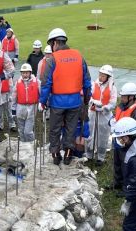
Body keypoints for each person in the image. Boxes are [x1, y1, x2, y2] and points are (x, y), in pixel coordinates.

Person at [40, 28, 92, 165]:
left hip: (57, 102)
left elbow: (46, 83)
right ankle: (68, 155)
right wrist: (87, 97)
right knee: (71, 129)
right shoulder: (79, 56)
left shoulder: (52, 60)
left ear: (55, 42)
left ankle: (56, 155)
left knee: (55, 129)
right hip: (75, 102)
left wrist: (42, 101)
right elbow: (87, 81)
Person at [110, 82, 136, 193]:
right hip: (118, 140)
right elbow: (115, 117)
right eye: (122, 96)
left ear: (131, 97)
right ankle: (117, 183)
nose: (122, 98)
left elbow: (135, 130)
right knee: (117, 163)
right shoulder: (121, 106)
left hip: (127, 143)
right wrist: (111, 122)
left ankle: (126, 188)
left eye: (124, 97)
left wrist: (124, 139)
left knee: (126, 166)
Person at [86, 65, 117, 166]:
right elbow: (89, 96)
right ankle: (89, 155)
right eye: (100, 75)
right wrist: (93, 102)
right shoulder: (94, 84)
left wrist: (104, 107)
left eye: (103, 76)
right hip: (93, 113)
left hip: (104, 116)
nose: (101, 77)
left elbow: (113, 103)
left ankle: (100, 157)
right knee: (90, 134)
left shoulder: (112, 88)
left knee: (103, 136)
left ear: (108, 77)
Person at [11, 63, 39, 142]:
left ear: (30, 73)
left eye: (26, 73)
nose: (25, 75)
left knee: (28, 132)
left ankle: (31, 145)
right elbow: (14, 96)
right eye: (23, 73)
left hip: (32, 107)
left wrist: (42, 103)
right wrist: (13, 109)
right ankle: (23, 145)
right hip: (20, 107)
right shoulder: (18, 82)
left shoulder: (36, 81)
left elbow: (42, 93)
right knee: (21, 130)